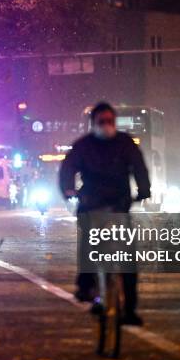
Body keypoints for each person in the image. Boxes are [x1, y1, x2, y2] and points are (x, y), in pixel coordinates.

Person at [59, 102, 151, 326]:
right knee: (88, 243)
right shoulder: (83, 146)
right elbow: (67, 169)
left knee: (127, 259)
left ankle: (129, 309)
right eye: (102, 121)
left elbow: (139, 167)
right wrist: (69, 191)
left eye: (110, 121)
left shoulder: (125, 143)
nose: (107, 125)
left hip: (119, 204)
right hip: (92, 203)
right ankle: (85, 285)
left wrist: (143, 191)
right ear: (93, 124)